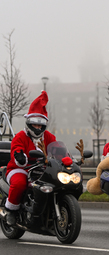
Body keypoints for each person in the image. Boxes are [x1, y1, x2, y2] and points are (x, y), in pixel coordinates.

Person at [4, 91, 56, 225]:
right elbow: (16, 148)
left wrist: (66, 159)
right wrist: (20, 156)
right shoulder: (20, 136)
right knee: (19, 183)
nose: (38, 128)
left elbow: (56, 149)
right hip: (20, 169)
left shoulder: (49, 137)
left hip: (41, 170)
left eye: (40, 125)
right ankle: (11, 211)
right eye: (35, 125)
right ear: (29, 123)